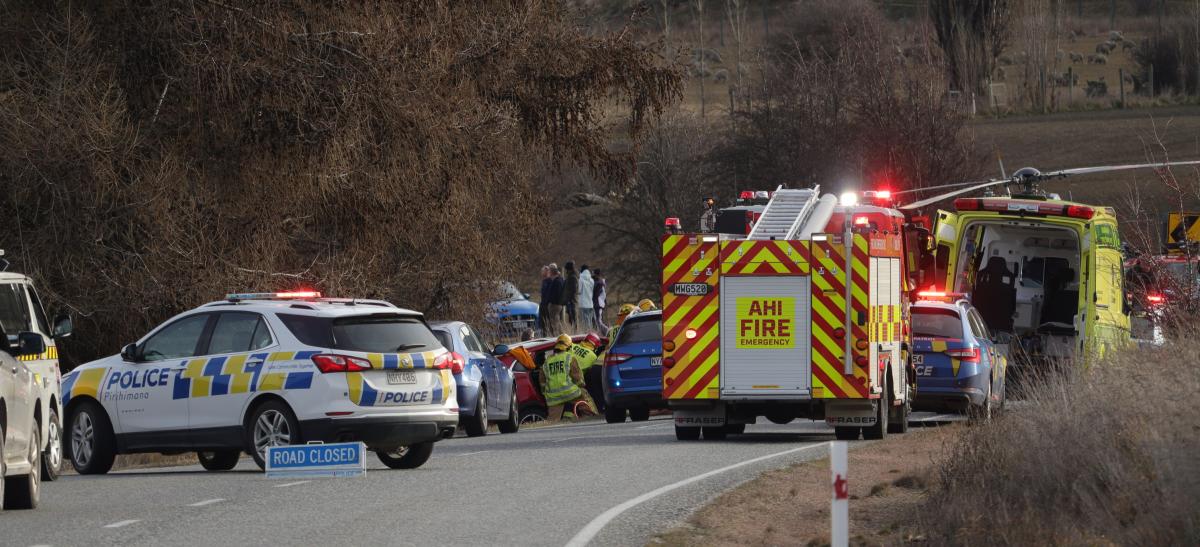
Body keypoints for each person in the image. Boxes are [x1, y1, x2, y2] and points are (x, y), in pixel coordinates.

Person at [539, 334, 595, 420]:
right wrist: (581, 386)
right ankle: (592, 416)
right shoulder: (569, 357)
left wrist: (545, 393)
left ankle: (562, 420)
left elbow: (542, 382)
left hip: (554, 398)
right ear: (568, 347)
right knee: (584, 398)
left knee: (553, 420)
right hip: (571, 393)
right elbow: (578, 378)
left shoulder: (547, 362)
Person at [573, 332, 605, 412]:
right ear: (595, 346)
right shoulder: (592, 356)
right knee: (591, 401)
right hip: (576, 384)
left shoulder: (573, 346)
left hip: (564, 380)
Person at [546, 264, 565, 334]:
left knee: (555, 322)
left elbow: (557, 294)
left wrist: (551, 301)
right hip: (556, 304)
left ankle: (559, 336)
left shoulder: (557, 281)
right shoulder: (558, 280)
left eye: (549, 271)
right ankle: (561, 335)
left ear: (552, 272)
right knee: (556, 321)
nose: (549, 273)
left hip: (555, 305)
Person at [577, 265, 596, 332]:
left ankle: (585, 335)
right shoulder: (591, 280)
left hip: (583, 304)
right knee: (589, 322)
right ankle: (590, 333)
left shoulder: (581, 279)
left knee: (584, 323)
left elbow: (579, 291)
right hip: (590, 303)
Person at [562, 261, 579, 330]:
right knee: (571, 319)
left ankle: (575, 333)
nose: (566, 271)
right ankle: (574, 332)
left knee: (573, 319)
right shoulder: (571, 276)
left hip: (572, 302)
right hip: (571, 301)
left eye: (567, 269)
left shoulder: (573, 277)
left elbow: (573, 290)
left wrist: (568, 299)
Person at [537, 265, 552, 334]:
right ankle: (544, 333)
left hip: (546, 305)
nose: (541, 273)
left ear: (546, 272)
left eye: (543, 271)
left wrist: (545, 303)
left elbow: (548, 293)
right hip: (543, 303)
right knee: (542, 322)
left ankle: (546, 334)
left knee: (546, 321)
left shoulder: (549, 281)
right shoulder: (544, 281)